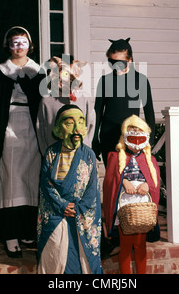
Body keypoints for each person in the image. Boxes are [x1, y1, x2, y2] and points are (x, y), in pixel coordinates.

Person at [0, 26, 45, 258]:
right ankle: (11, 235)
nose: (18, 47)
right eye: (14, 43)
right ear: (7, 46)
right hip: (9, 126)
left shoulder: (38, 71)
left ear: (30, 46)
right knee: (11, 179)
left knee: (32, 178)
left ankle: (28, 230)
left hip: (32, 128)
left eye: (22, 43)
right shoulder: (0, 71)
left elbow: (45, 101)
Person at [37, 104, 102, 274]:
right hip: (57, 212)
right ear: (58, 130)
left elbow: (92, 189)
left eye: (81, 122)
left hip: (80, 213)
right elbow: (46, 185)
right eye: (69, 123)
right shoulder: (51, 153)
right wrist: (62, 205)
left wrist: (79, 208)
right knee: (55, 254)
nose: (77, 129)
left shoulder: (89, 155)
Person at [103, 115, 160, 274]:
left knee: (141, 245)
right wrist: (124, 182)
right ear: (125, 138)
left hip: (143, 206)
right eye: (132, 140)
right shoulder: (115, 157)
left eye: (140, 140)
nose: (136, 145)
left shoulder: (150, 159)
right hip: (125, 206)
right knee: (126, 245)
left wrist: (147, 185)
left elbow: (155, 182)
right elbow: (110, 183)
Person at [93, 38, 155, 168]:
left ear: (130, 60)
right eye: (111, 62)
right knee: (113, 180)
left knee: (131, 182)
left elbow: (149, 111)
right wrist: (94, 139)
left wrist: (151, 140)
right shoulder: (104, 81)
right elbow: (97, 111)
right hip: (108, 138)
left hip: (133, 139)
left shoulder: (141, 80)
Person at [37, 55, 95, 156]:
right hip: (55, 155)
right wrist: (46, 153)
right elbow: (41, 128)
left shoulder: (84, 98)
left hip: (80, 153)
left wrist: (86, 149)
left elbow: (90, 124)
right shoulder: (46, 100)